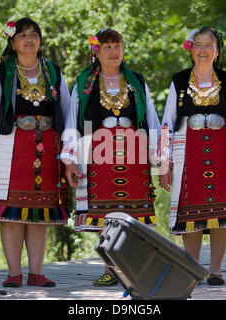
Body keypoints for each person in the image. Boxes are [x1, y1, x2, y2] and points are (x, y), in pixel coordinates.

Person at [61, 28, 160, 286]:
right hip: (98, 153)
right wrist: (70, 158)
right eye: (107, 46)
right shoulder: (85, 82)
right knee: (105, 212)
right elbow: (73, 119)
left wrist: (159, 154)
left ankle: (134, 270)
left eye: (117, 45)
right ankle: (110, 268)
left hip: (134, 152)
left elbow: (151, 117)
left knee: (133, 212)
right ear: (97, 51)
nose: (114, 51)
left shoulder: (136, 81)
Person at [0, 18, 70, 288]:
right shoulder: (3, 72)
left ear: (40, 40)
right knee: (11, 213)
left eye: (34, 35)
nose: (29, 40)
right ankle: (14, 273)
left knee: (39, 213)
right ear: (13, 42)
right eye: (23, 36)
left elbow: (66, 111)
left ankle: (37, 273)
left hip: (47, 149)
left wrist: (69, 150)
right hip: (9, 148)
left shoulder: (52, 71)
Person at [158, 27, 226, 285]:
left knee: (222, 214)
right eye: (199, 45)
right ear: (191, 49)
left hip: (222, 156)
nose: (204, 50)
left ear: (217, 51)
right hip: (188, 156)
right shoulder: (179, 81)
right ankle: (192, 270)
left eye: (209, 45)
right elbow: (167, 123)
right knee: (191, 214)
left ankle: (216, 270)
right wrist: (164, 163)